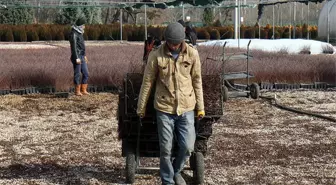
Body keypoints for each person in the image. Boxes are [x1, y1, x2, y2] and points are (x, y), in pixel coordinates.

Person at [137, 22, 205, 185]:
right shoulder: (156, 56)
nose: (173, 46)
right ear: (166, 40)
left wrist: (201, 107)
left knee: (188, 146)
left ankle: (175, 171)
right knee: (165, 149)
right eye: (170, 43)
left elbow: (197, 80)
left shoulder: (192, 54)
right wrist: (141, 107)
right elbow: (147, 82)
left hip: (186, 107)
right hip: (164, 108)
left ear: (182, 40)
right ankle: (167, 181)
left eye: (176, 43)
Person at [69, 17, 90, 96]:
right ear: (80, 25)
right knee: (77, 73)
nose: (85, 26)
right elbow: (73, 47)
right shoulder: (74, 33)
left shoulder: (80, 33)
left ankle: (83, 89)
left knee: (86, 73)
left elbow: (82, 46)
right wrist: (76, 57)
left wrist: (84, 55)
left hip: (82, 55)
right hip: (77, 56)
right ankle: (77, 91)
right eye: (83, 25)